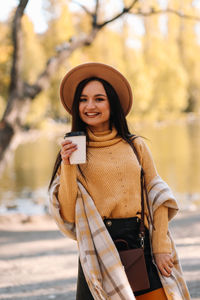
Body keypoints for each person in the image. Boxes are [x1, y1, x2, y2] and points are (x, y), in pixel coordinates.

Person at [49, 62, 190, 300]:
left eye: (99, 99)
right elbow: (70, 216)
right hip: (97, 248)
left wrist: (161, 247)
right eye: (83, 100)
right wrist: (68, 166)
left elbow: (158, 196)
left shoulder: (135, 146)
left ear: (111, 103)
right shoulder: (72, 151)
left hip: (139, 240)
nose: (90, 106)